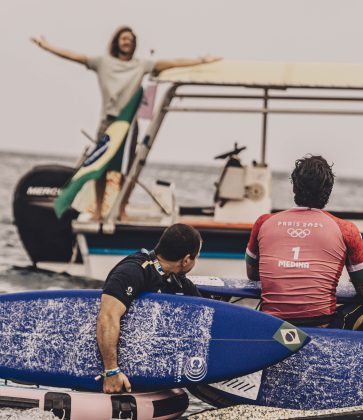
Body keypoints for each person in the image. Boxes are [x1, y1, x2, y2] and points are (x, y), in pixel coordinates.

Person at [31, 27, 222, 219]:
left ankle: (121, 208)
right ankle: (98, 210)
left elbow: (172, 63)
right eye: (123, 38)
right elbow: (74, 56)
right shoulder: (103, 62)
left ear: (134, 44)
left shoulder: (141, 64)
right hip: (108, 122)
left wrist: (202, 60)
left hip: (129, 125)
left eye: (130, 39)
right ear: (116, 41)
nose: (127, 42)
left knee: (126, 169)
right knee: (101, 168)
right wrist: (46, 46)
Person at [245, 155, 363, 327]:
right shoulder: (346, 230)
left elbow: (252, 274)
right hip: (321, 326)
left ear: (294, 188)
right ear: (329, 191)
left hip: (272, 326)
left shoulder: (263, 223)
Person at [96, 223, 202, 393]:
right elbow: (107, 317)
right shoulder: (132, 271)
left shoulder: (177, 281)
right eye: (197, 257)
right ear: (187, 260)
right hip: (112, 366)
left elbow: (206, 313)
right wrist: (111, 371)